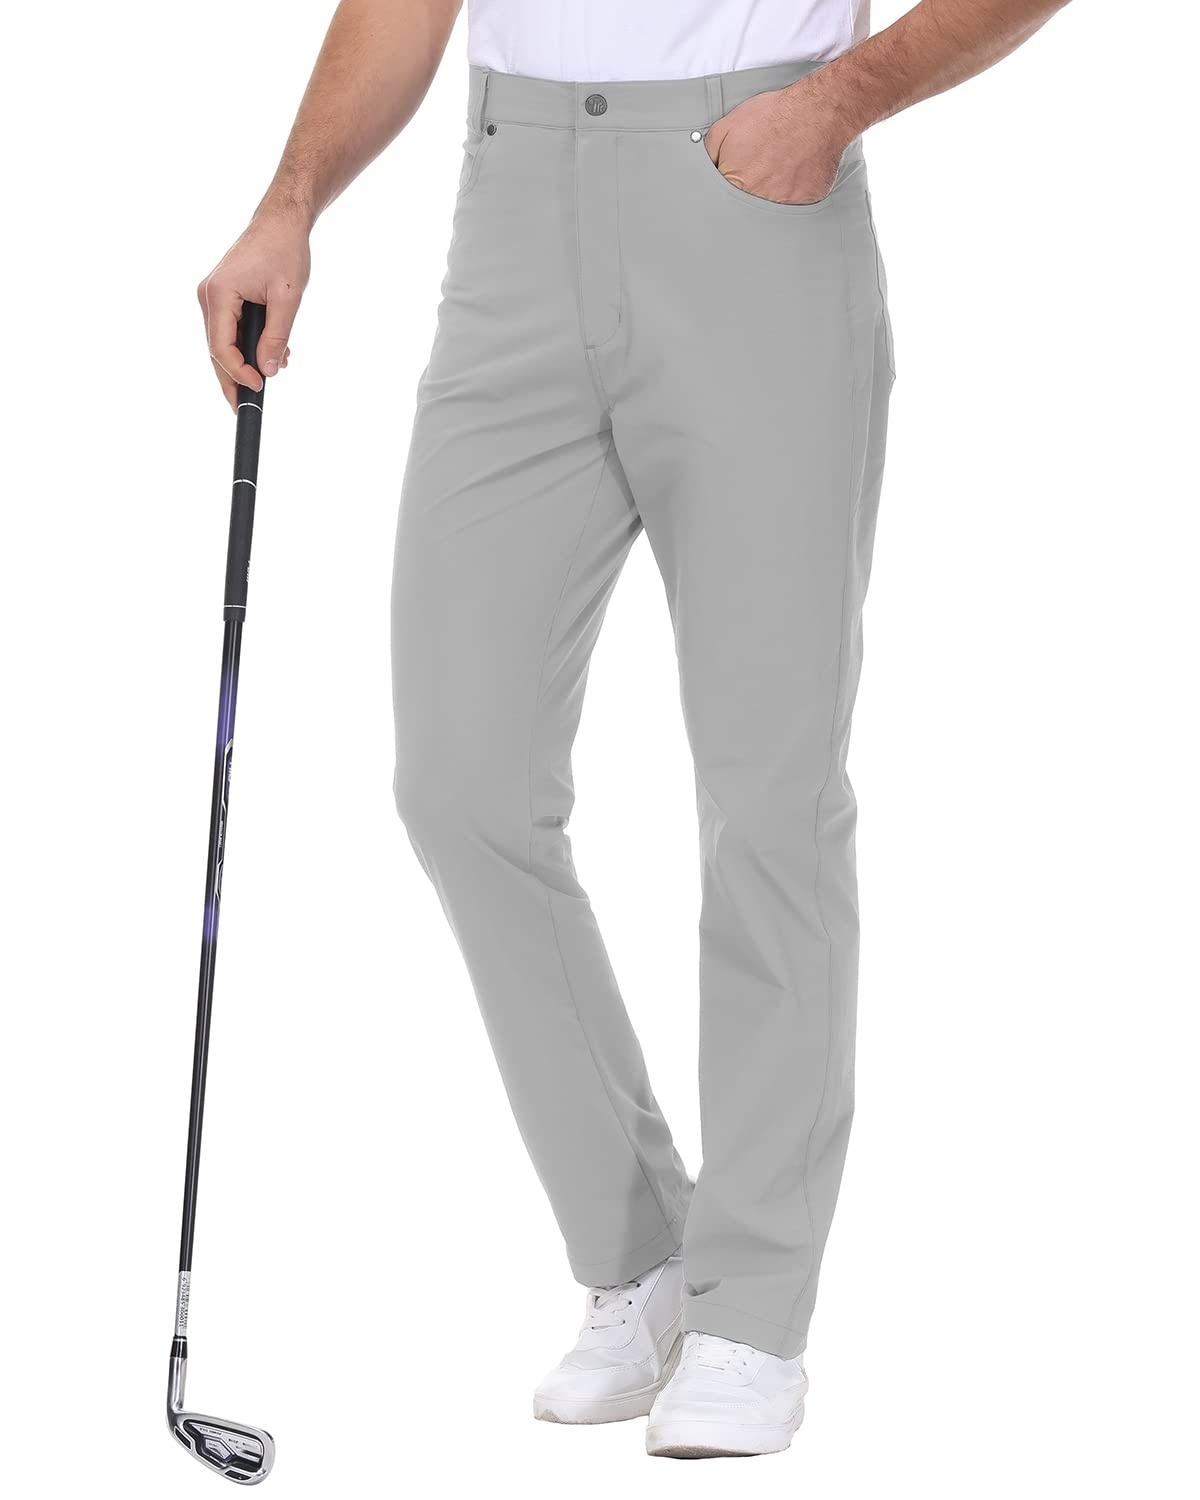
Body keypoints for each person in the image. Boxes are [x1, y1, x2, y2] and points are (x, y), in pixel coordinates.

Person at [199, 0, 1070, 1460]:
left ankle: (753, 1309)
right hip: (511, 214)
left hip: (755, 192)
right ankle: (644, 1256)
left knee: (768, 790)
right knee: (461, 779)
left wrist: (835, 104)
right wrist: (289, 205)